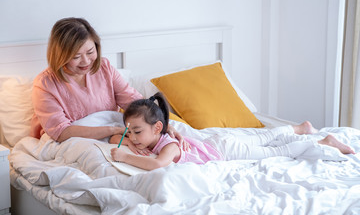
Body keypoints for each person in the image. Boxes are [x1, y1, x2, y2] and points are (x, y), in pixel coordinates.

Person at [30, 17, 186, 153]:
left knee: (175, 142)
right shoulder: (45, 84)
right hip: (77, 140)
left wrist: (162, 123)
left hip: (116, 134)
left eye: (90, 52)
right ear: (60, 56)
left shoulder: (104, 67)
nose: (85, 61)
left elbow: (133, 100)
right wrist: (112, 130)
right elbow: (61, 132)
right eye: (76, 56)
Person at [110, 92, 356, 171]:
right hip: (218, 143)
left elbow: (160, 165)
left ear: (158, 128)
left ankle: (324, 141)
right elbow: (115, 138)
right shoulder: (148, 138)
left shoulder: (169, 145)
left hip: (227, 151)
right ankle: (301, 128)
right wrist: (130, 142)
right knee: (264, 136)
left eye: (137, 132)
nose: (131, 137)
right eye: (129, 132)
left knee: (276, 150)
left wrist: (125, 156)